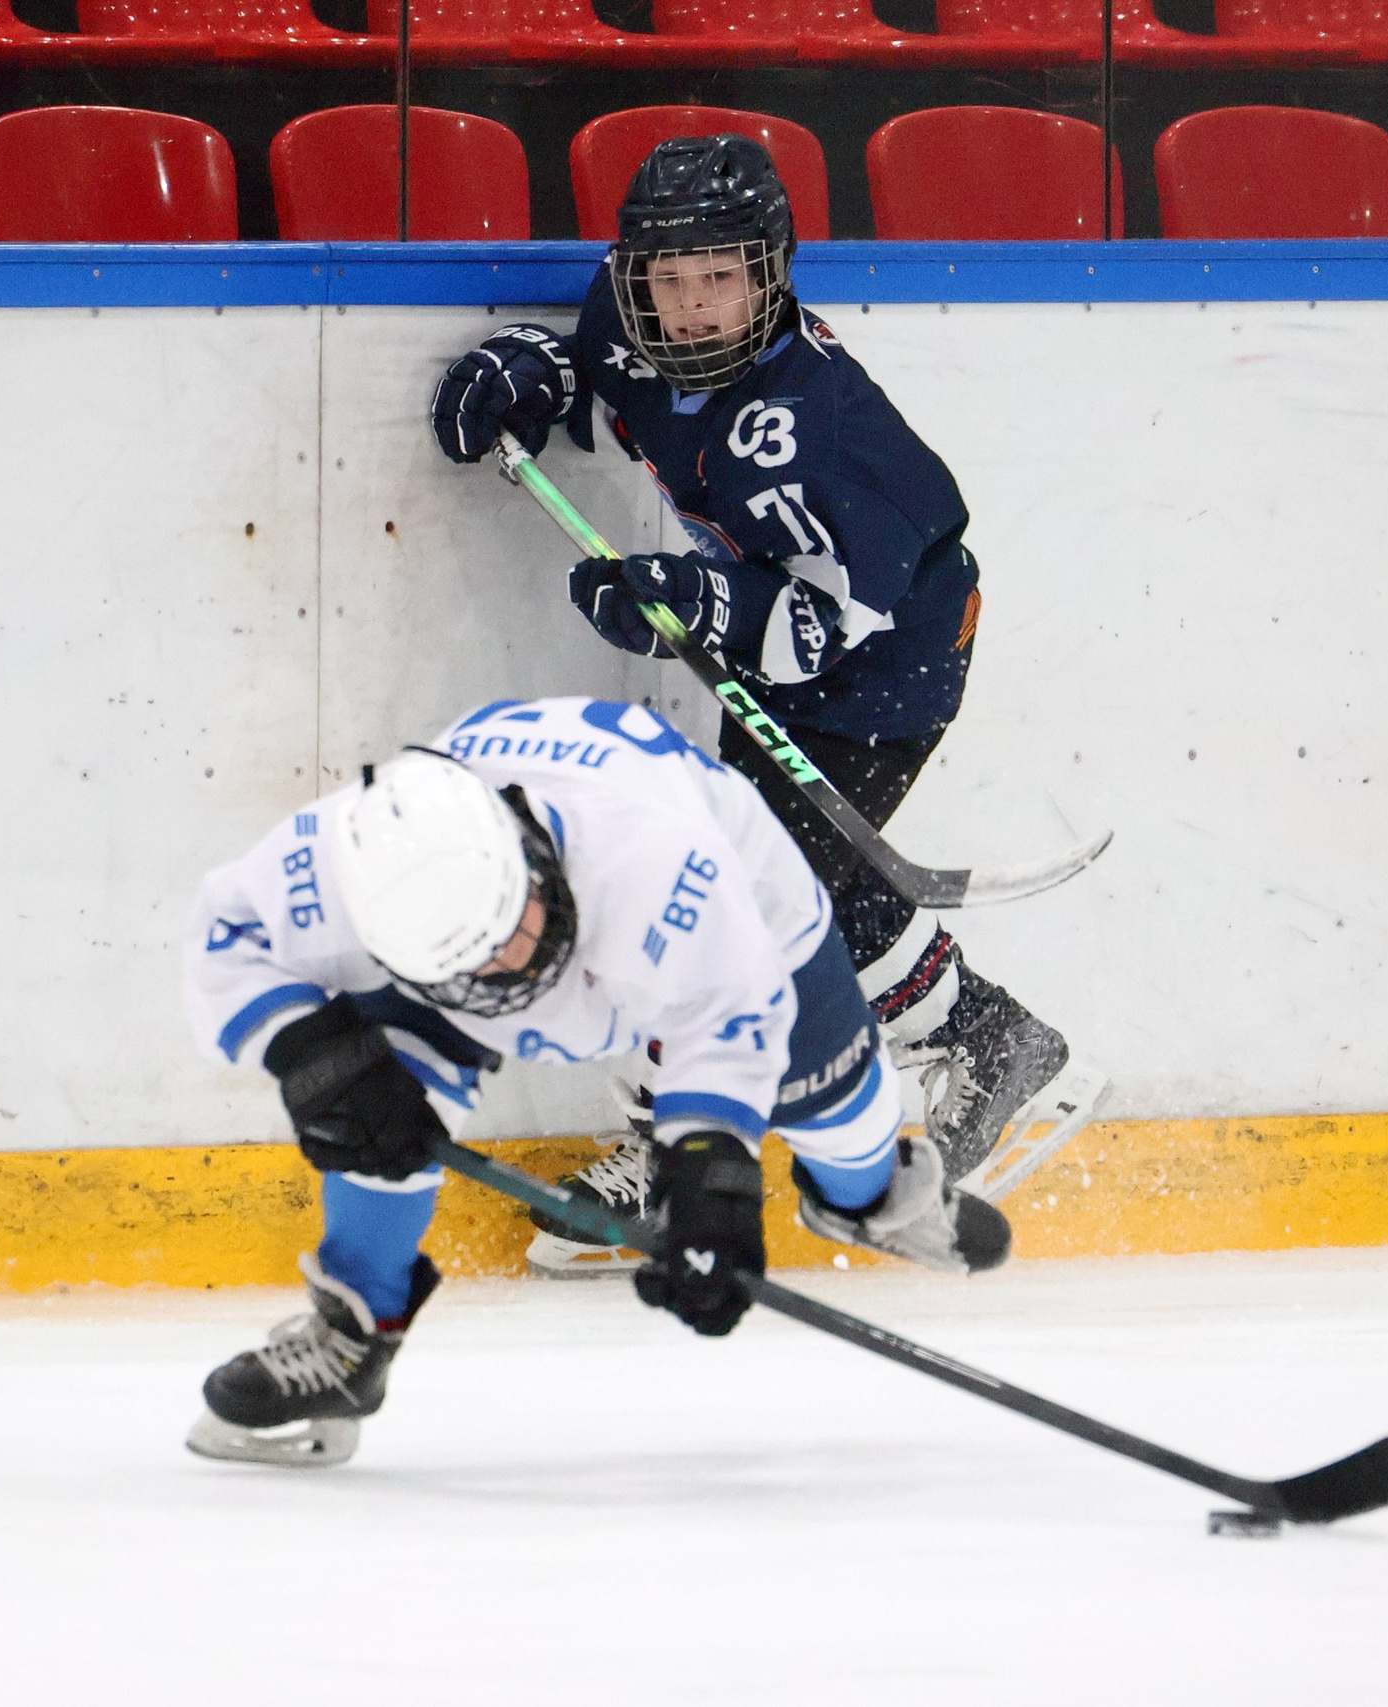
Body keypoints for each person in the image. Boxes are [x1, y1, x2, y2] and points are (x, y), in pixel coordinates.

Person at [428, 133, 1092, 1274]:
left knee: (744, 892)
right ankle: (974, 1038)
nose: (689, 307)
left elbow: (834, 620)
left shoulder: (825, 428)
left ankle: (726, 1133)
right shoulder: (629, 316)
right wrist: (538, 371)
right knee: (747, 881)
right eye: (667, 280)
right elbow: (610, 380)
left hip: (882, 668)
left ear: (770, 273)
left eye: (719, 278)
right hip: (775, 628)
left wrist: (693, 601)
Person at [180, 695, 1009, 1467]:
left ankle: (875, 1196)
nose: (507, 974)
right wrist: (317, 1058)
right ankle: (352, 1332)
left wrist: (709, 1184)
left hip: (746, 911)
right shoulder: (340, 863)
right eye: (476, 965)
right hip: (464, 943)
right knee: (371, 1099)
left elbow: (724, 1018)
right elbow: (225, 931)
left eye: (510, 937)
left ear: (528, 849)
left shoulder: (657, 866)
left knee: (831, 1100)